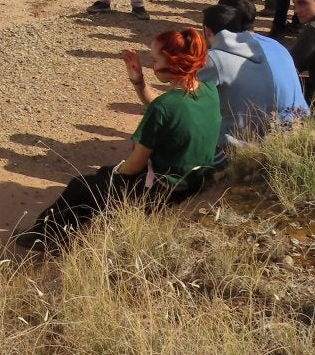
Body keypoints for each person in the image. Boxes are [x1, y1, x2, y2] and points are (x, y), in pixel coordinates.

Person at [18, 29, 219, 251]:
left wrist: (112, 175)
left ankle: (45, 237)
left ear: (173, 62)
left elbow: (134, 166)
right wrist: (139, 83)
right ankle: (61, 233)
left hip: (163, 192)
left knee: (82, 187)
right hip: (194, 182)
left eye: (154, 60)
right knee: (98, 182)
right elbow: (169, 109)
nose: (151, 65)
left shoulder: (165, 107)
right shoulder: (208, 91)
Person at [198, 0, 308, 159]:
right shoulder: (275, 45)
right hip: (297, 131)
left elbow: (186, 104)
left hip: (250, 147)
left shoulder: (219, 57)